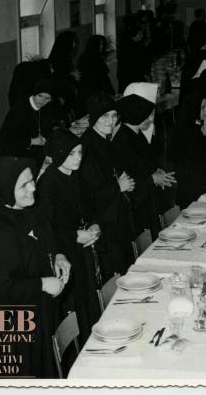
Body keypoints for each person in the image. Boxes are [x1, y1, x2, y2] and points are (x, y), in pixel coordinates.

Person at [0, 156, 70, 378]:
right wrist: (42, 283)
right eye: (24, 185)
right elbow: (3, 288)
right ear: (6, 189)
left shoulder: (26, 208)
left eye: (32, 180)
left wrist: (59, 255)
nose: (33, 187)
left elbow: (46, 232)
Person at [36, 131, 101, 343]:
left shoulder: (75, 175)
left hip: (83, 247)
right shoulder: (48, 183)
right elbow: (46, 229)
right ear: (59, 154)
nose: (78, 158)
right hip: (65, 252)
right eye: (72, 154)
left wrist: (94, 224)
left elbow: (90, 206)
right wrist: (75, 235)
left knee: (90, 299)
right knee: (77, 306)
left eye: (80, 152)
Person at [80, 94, 136, 278]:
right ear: (94, 117)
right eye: (105, 116)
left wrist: (124, 184)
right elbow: (90, 193)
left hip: (115, 213)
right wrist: (118, 187)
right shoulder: (87, 146)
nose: (111, 122)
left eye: (114, 116)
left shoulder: (103, 139)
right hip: (103, 222)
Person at [111, 83, 176, 239]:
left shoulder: (136, 133)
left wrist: (156, 173)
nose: (151, 119)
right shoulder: (122, 140)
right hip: (137, 207)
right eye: (148, 115)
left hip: (147, 198)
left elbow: (146, 162)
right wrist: (152, 179)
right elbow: (128, 178)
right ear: (136, 114)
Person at [0, 78, 58, 168]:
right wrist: (31, 141)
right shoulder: (19, 109)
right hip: (12, 155)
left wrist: (45, 138)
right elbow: (4, 138)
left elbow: (45, 129)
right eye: (40, 96)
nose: (42, 101)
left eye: (47, 98)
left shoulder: (47, 108)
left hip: (33, 153)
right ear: (34, 94)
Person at [48, 30, 81, 119]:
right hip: (61, 97)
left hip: (67, 95)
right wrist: (73, 77)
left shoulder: (65, 57)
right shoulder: (57, 60)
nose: (74, 45)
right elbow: (59, 79)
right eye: (73, 42)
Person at [78, 35, 115, 105]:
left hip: (97, 95)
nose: (101, 46)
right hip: (91, 96)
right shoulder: (87, 59)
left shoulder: (97, 57)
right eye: (99, 44)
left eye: (102, 44)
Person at [117, 25, 151, 93]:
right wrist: (144, 74)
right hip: (129, 78)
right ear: (134, 35)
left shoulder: (136, 44)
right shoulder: (129, 47)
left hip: (132, 76)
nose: (142, 36)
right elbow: (135, 65)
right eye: (140, 34)